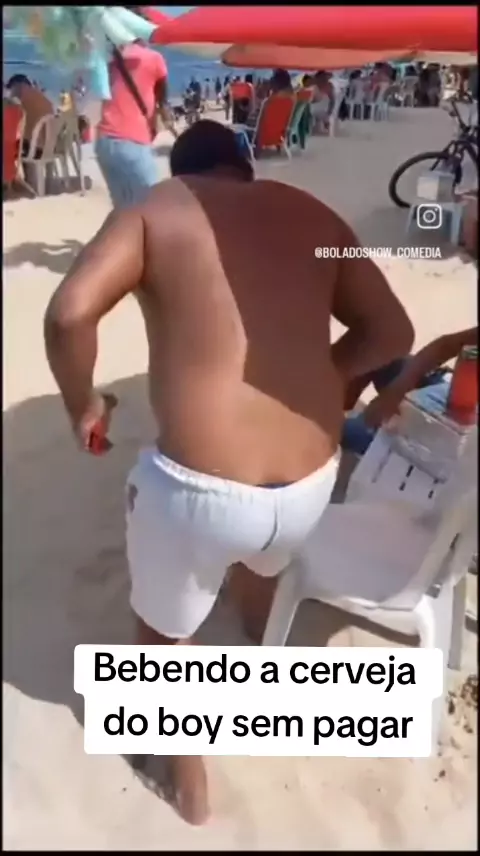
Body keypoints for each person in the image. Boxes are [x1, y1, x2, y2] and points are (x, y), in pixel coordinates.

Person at [43, 119, 414, 826]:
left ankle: (187, 781)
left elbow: (68, 316)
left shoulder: (154, 209)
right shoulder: (315, 215)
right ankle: (255, 630)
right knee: (261, 554)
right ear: (245, 166)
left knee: (161, 630)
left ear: (182, 172)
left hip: (199, 496)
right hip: (310, 487)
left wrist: (83, 403)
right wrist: (324, 377)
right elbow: (392, 331)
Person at [342, 327, 478, 455]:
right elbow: (444, 346)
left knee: (352, 433)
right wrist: (395, 392)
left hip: (455, 429)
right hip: (450, 388)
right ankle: (341, 408)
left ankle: (350, 433)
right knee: (379, 354)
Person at [95, 30, 171, 208]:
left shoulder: (111, 58)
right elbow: (163, 99)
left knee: (123, 210)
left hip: (104, 142)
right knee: (153, 206)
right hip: (132, 140)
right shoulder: (154, 58)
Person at [6, 74, 54, 157]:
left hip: (32, 149)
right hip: (48, 149)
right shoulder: (42, 98)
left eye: (11, 89)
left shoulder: (21, 98)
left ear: (17, 85)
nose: (10, 93)